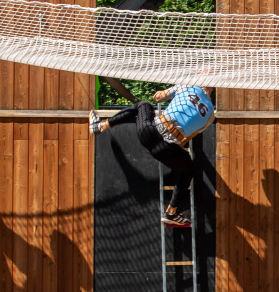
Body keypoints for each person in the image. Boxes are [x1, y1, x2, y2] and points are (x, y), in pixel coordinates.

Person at [89, 83, 215, 227]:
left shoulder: (187, 86)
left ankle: (100, 126)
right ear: (213, 88)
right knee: (189, 170)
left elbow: (158, 98)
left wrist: (168, 92)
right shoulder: (210, 113)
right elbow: (188, 137)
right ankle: (171, 212)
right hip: (165, 149)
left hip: (148, 131)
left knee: (142, 104)